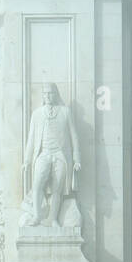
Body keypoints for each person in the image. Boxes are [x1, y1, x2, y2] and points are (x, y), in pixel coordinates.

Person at [23, 84, 81, 226]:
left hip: (60, 155)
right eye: (45, 94)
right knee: (37, 185)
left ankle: (53, 218)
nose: (48, 96)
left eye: (50, 93)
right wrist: (27, 160)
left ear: (56, 94)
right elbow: (31, 139)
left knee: (57, 189)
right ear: (42, 96)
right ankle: (36, 216)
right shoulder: (37, 114)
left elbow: (74, 137)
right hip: (43, 154)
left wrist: (76, 159)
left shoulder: (65, 112)